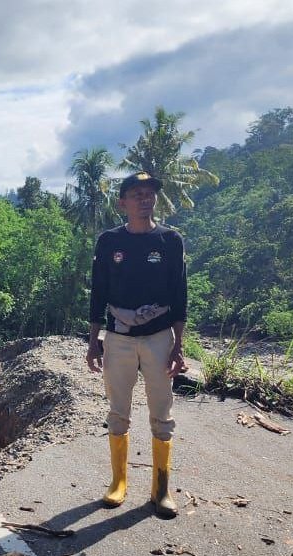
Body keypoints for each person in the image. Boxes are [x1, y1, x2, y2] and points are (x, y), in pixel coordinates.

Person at [86, 172, 189, 518]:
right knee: (118, 411)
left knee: (161, 413)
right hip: (118, 339)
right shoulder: (109, 242)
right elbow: (98, 291)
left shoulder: (170, 240)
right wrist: (93, 341)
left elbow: (179, 295)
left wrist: (179, 345)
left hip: (160, 338)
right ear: (123, 203)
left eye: (150, 194)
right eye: (137, 194)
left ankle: (160, 489)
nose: (145, 199)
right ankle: (118, 483)